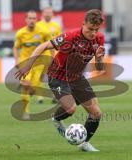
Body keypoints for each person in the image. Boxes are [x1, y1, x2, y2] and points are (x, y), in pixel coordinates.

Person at [15, 9, 105, 152]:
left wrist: (99, 58)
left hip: (76, 77)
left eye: (96, 29)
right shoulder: (70, 36)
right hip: (58, 76)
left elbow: (99, 68)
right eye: (90, 29)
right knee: (71, 109)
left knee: (96, 113)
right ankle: (56, 119)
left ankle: (84, 143)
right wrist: (28, 65)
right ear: (83, 24)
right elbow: (43, 46)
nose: (93, 33)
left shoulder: (99, 39)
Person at [13, 10, 51, 119]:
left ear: (37, 19)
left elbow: (51, 44)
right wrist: (16, 60)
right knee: (26, 85)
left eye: (34, 18)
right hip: (25, 63)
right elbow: (16, 47)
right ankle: (25, 111)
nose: (32, 20)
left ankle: (30, 91)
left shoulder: (43, 32)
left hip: (39, 64)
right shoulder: (21, 33)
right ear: (26, 20)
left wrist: (53, 58)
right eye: (30, 18)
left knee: (33, 88)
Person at [36, 7, 62, 103]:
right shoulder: (37, 25)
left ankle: (55, 95)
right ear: (42, 13)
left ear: (52, 14)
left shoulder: (56, 26)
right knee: (39, 76)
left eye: (50, 12)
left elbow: (60, 39)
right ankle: (40, 97)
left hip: (54, 55)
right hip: (41, 55)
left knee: (55, 76)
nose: (48, 14)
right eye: (46, 12)